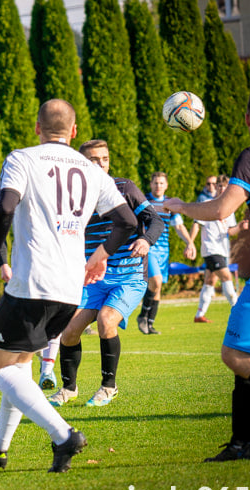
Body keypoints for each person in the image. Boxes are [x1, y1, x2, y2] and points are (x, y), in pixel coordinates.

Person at [0, 99, 136, 473]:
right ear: (74, 131)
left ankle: (63, 435)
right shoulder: (92, 170)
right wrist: (101, 254)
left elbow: (7, 206)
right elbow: (126, 221)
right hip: (69, 288)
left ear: (37, 128)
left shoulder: (23, 158)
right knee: (20, 361)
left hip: (33, 282)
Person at [166, 88, 250, 461]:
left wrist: (182, 206)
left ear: (247, 120)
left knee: (234, 355)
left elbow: (223, 209)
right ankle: (242, 443)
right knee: (249, 352)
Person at [46, 140, 164, 408]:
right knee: (69, 330)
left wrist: (146, 240)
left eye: (105, 159)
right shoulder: (72, 198)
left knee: (106, 321)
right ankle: (68, 389)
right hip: (91, 279)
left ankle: (108, 387)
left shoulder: (124, 188)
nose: (100, 164)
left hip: (129, 276)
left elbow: (155, 220)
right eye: (93, 159)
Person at [135, 172, 195, 335]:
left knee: (158, 287)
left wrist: (190, 243)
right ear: (151, 184)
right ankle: (142, 316)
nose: (158, 186)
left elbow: (179, 226)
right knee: (156, 281)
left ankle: (149, 323)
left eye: (161, 183)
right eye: (156, 183)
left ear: (166, 185)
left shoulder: (170, 205)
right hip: (149, 248)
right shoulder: (144, 200)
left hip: (164, 251)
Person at [188, 174, 246, 323]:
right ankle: (238, 311)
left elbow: (230, 231)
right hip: (211, 249)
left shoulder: (229, 208)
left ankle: (199, 314)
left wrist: (240, 227)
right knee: (227, 277)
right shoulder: (207, 203)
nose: (220, 188)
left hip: (222, 250)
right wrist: (190, 242)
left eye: (223, 186)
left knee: (210, 280)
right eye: (218, 185)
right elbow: (197, 224)